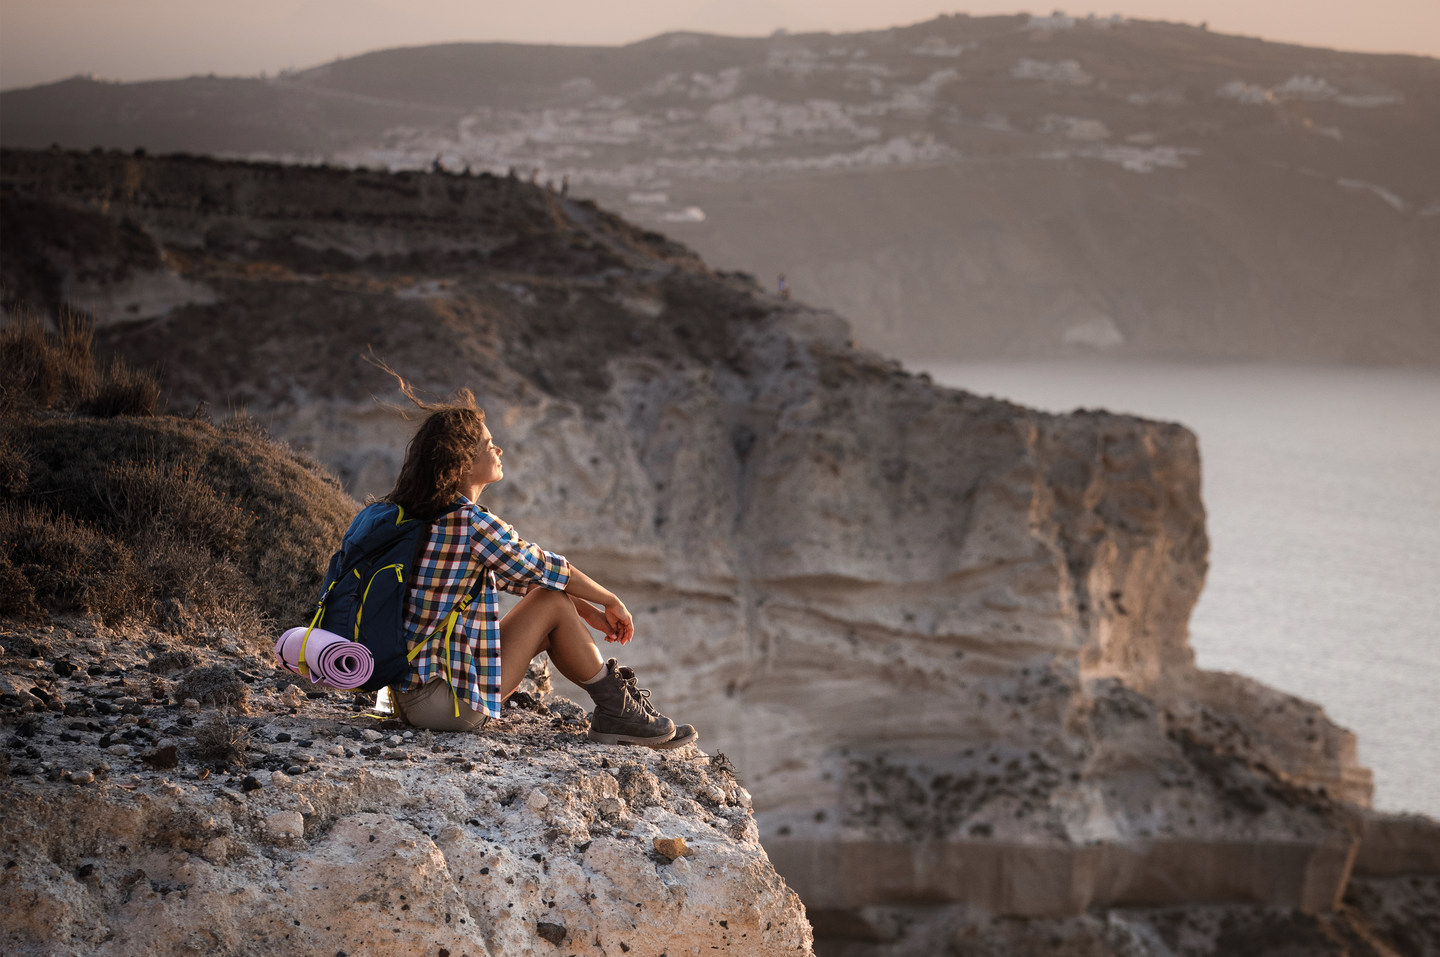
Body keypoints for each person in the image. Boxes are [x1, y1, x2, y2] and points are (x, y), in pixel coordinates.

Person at [380, 381, 696, 749]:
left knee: (550, 615)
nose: (498, 449)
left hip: (411, 696)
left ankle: (616, 713)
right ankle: (617, 711)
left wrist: (590, 614)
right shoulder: (471, 524)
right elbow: (546, 567)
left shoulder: (425, 516)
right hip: (446, 705)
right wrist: (610, 599)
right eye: (487, 445)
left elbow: (526, 581)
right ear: (463, 463)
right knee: (552, 602)